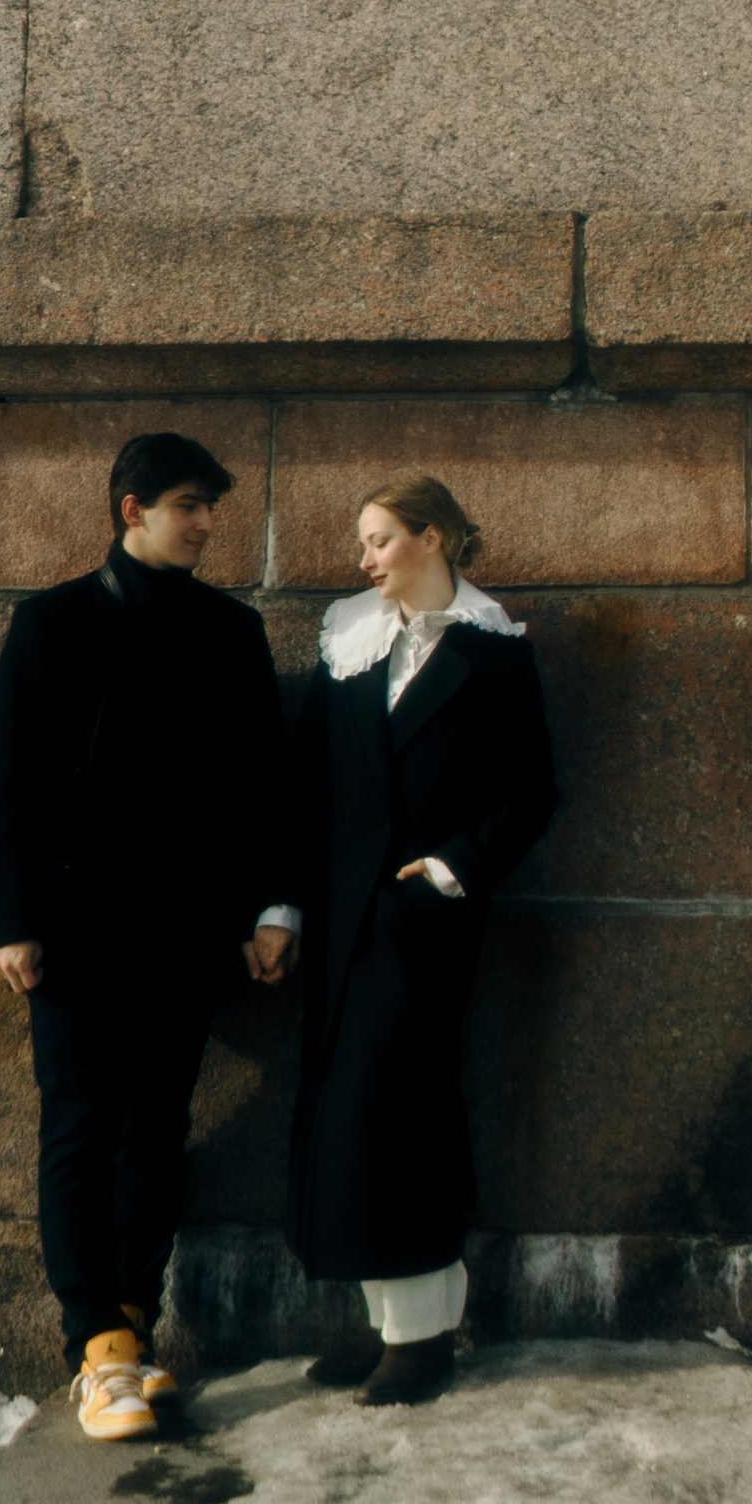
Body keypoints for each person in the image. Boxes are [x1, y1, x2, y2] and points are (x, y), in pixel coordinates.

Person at [0, 430, 299, 1443]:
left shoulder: (231, 629)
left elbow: (263, 789)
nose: (208, 523)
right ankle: (95, 1343)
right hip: (70, 930)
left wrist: (270, 905)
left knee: (155, 1126)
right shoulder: (49, 622)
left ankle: (132, 1324)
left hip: (183, 924)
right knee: (78, 1121)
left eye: (211, 507)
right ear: (132, 509)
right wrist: (12, 922)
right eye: (190, 505)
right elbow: (11, 782)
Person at [285, 474, 558, 1406]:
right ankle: (405, 1328)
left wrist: (452, 868)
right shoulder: (351, 641)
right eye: (362, 544)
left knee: (387, 1110)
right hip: (339, 917)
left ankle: (421, 1340)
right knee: (351, 1111)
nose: (364, 560)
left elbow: (532, 794)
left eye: (378, 540)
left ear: (432, 538)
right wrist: (279, 909)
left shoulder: (495, 655)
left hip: (424, 922)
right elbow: (307, 787)